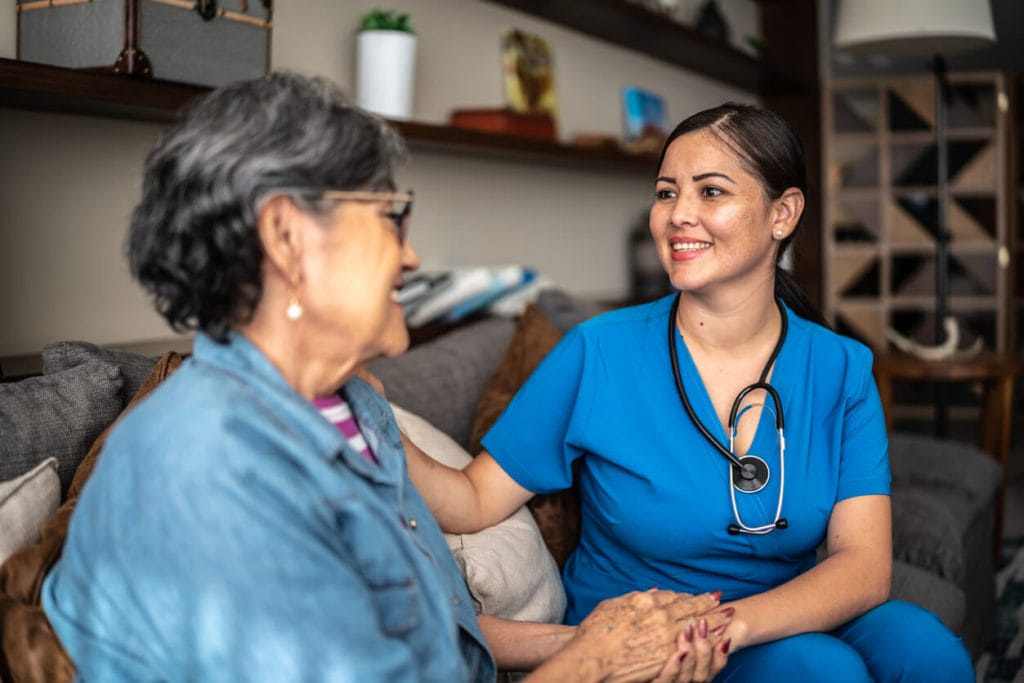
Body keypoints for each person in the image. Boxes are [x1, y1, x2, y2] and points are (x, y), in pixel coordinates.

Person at [39, 72, 732, 682]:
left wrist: (594, 639)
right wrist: (594, 663)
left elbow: (429, 636)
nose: (411, 254)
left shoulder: (354, 406)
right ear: (287, 237)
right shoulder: (205, 472)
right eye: (390, 216)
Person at [404, 103, 976, 681]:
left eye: (710, 192)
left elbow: (862, 565)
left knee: (926, 650)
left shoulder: (841, 368)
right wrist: (365, 409)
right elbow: (473, 500)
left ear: (783, 213)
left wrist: (724, 626)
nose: (678, 215)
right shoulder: (597, 353)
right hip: (643, 633)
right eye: (666, 193)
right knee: (820, 670)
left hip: (775, 611)